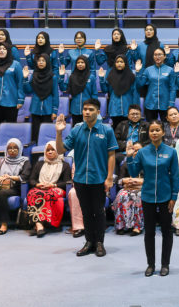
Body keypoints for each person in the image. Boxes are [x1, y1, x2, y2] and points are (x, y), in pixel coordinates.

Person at [55, 99, 118, 258]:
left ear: (98, 112)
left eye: (91, 109)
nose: (87, 112)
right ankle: (89, 241)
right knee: (86, 212)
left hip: (98, 179)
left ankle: (99, 243)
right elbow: (61, 149)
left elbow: (111, 155)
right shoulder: (76, 130)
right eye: (85, 109)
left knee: (99, 211)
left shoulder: (106, 130)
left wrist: (109, 177)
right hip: (80, 179)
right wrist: (59, 132)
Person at [127, 121, 179, 277]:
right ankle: (150, 264)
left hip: (165, 197)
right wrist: (130, 157)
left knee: (166, 231)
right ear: (148, 133)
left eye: (157, 130)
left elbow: (175, 176)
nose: (155, 133)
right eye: (152, 131)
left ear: (163, 132)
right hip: (148, 196)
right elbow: (134, 171)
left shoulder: (171, 152)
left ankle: (165, 264)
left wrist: (174, 197)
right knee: (149, 232)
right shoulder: (143, 152)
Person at [25, 141, 71, 237]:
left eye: (52, 150)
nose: (49, 152)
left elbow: (67, 182)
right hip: (41, 187)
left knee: (47, 195)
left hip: (56, 188)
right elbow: (31, 179)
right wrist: (38, 184)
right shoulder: (39, 163)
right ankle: (39, 225)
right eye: (47, 150)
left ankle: (43, 224)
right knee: (32, 194)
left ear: (58, 151)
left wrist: (52, 185)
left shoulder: (65, 165)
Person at [23, 54, 59, 143]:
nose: (41, 62)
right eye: (39, 61)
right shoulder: (34, 75)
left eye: (43, 60)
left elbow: (55, 94)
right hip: (35, 109)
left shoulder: (53, 77)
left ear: (47, 62)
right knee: (35, 134)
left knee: (46, 134)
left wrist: (54, 111)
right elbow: (28, 90)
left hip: (48, 110)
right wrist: (25, 78)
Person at [100, 55, 140, 131]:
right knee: (116, 130)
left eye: (121, 62)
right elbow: (105, 90)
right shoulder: (110, 76)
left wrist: (135, 108)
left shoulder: (131, 76)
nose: (119, 64)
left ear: (125, 63)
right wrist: (101, 78)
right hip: (114, 109)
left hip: (127, 109)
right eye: (117, 62)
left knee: (127, 131)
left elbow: (135, 92)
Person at [113, 142, 144, 236]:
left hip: (142, 189)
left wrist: (139, 181)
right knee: (121, 196)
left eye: (139, 150)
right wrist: (126, 180)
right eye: (134, 150)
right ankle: (121, 226)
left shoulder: (147, 164)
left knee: (137, 196)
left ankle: (137, 227)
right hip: (128, 188)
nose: (136, 152)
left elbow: (152, 180)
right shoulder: (126, 164)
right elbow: (119, 180)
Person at [58, 56, 97, 126]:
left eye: (82, 62)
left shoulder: (91, 77)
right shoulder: (72, 77)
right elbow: (63, 88)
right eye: (78, 62)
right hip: (75, 109)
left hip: (88, 110)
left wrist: (94, 108)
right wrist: (61, 76)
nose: (80, 64)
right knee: (76, 130)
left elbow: (94, 94)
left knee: (87, 130)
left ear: (86, 64)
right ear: (76, 64)